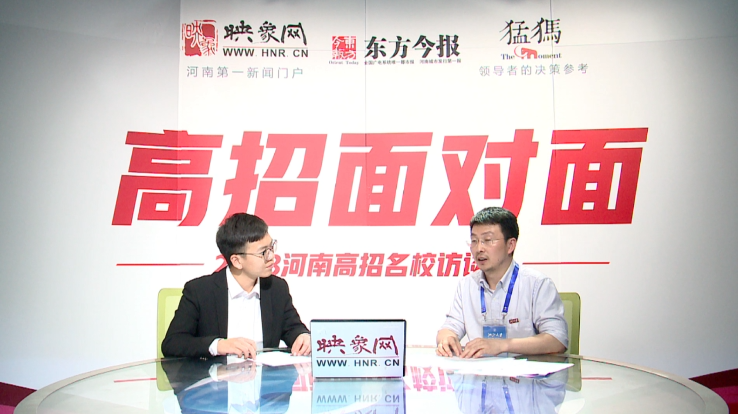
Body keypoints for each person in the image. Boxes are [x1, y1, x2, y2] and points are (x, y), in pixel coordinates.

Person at [162, 213, 310, 359]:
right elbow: (172, 343)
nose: (272, 257)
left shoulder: (276, 288)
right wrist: (218, 345)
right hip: (217, 373)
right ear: (237, 261)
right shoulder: (200, 291)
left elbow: (293, 328)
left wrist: (302, 336)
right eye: (263, 252)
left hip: (265, 373)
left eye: (272, 247)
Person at [436, 207, 568, 358]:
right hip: (480, 370)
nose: (479, 248)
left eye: (487, 240)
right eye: (474, 241)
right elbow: (449, 327)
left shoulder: (537, 284)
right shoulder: (467, 285)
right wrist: (447, 338)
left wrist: (503, 345)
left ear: (510, 245)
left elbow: (557, 340)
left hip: (524, 371)